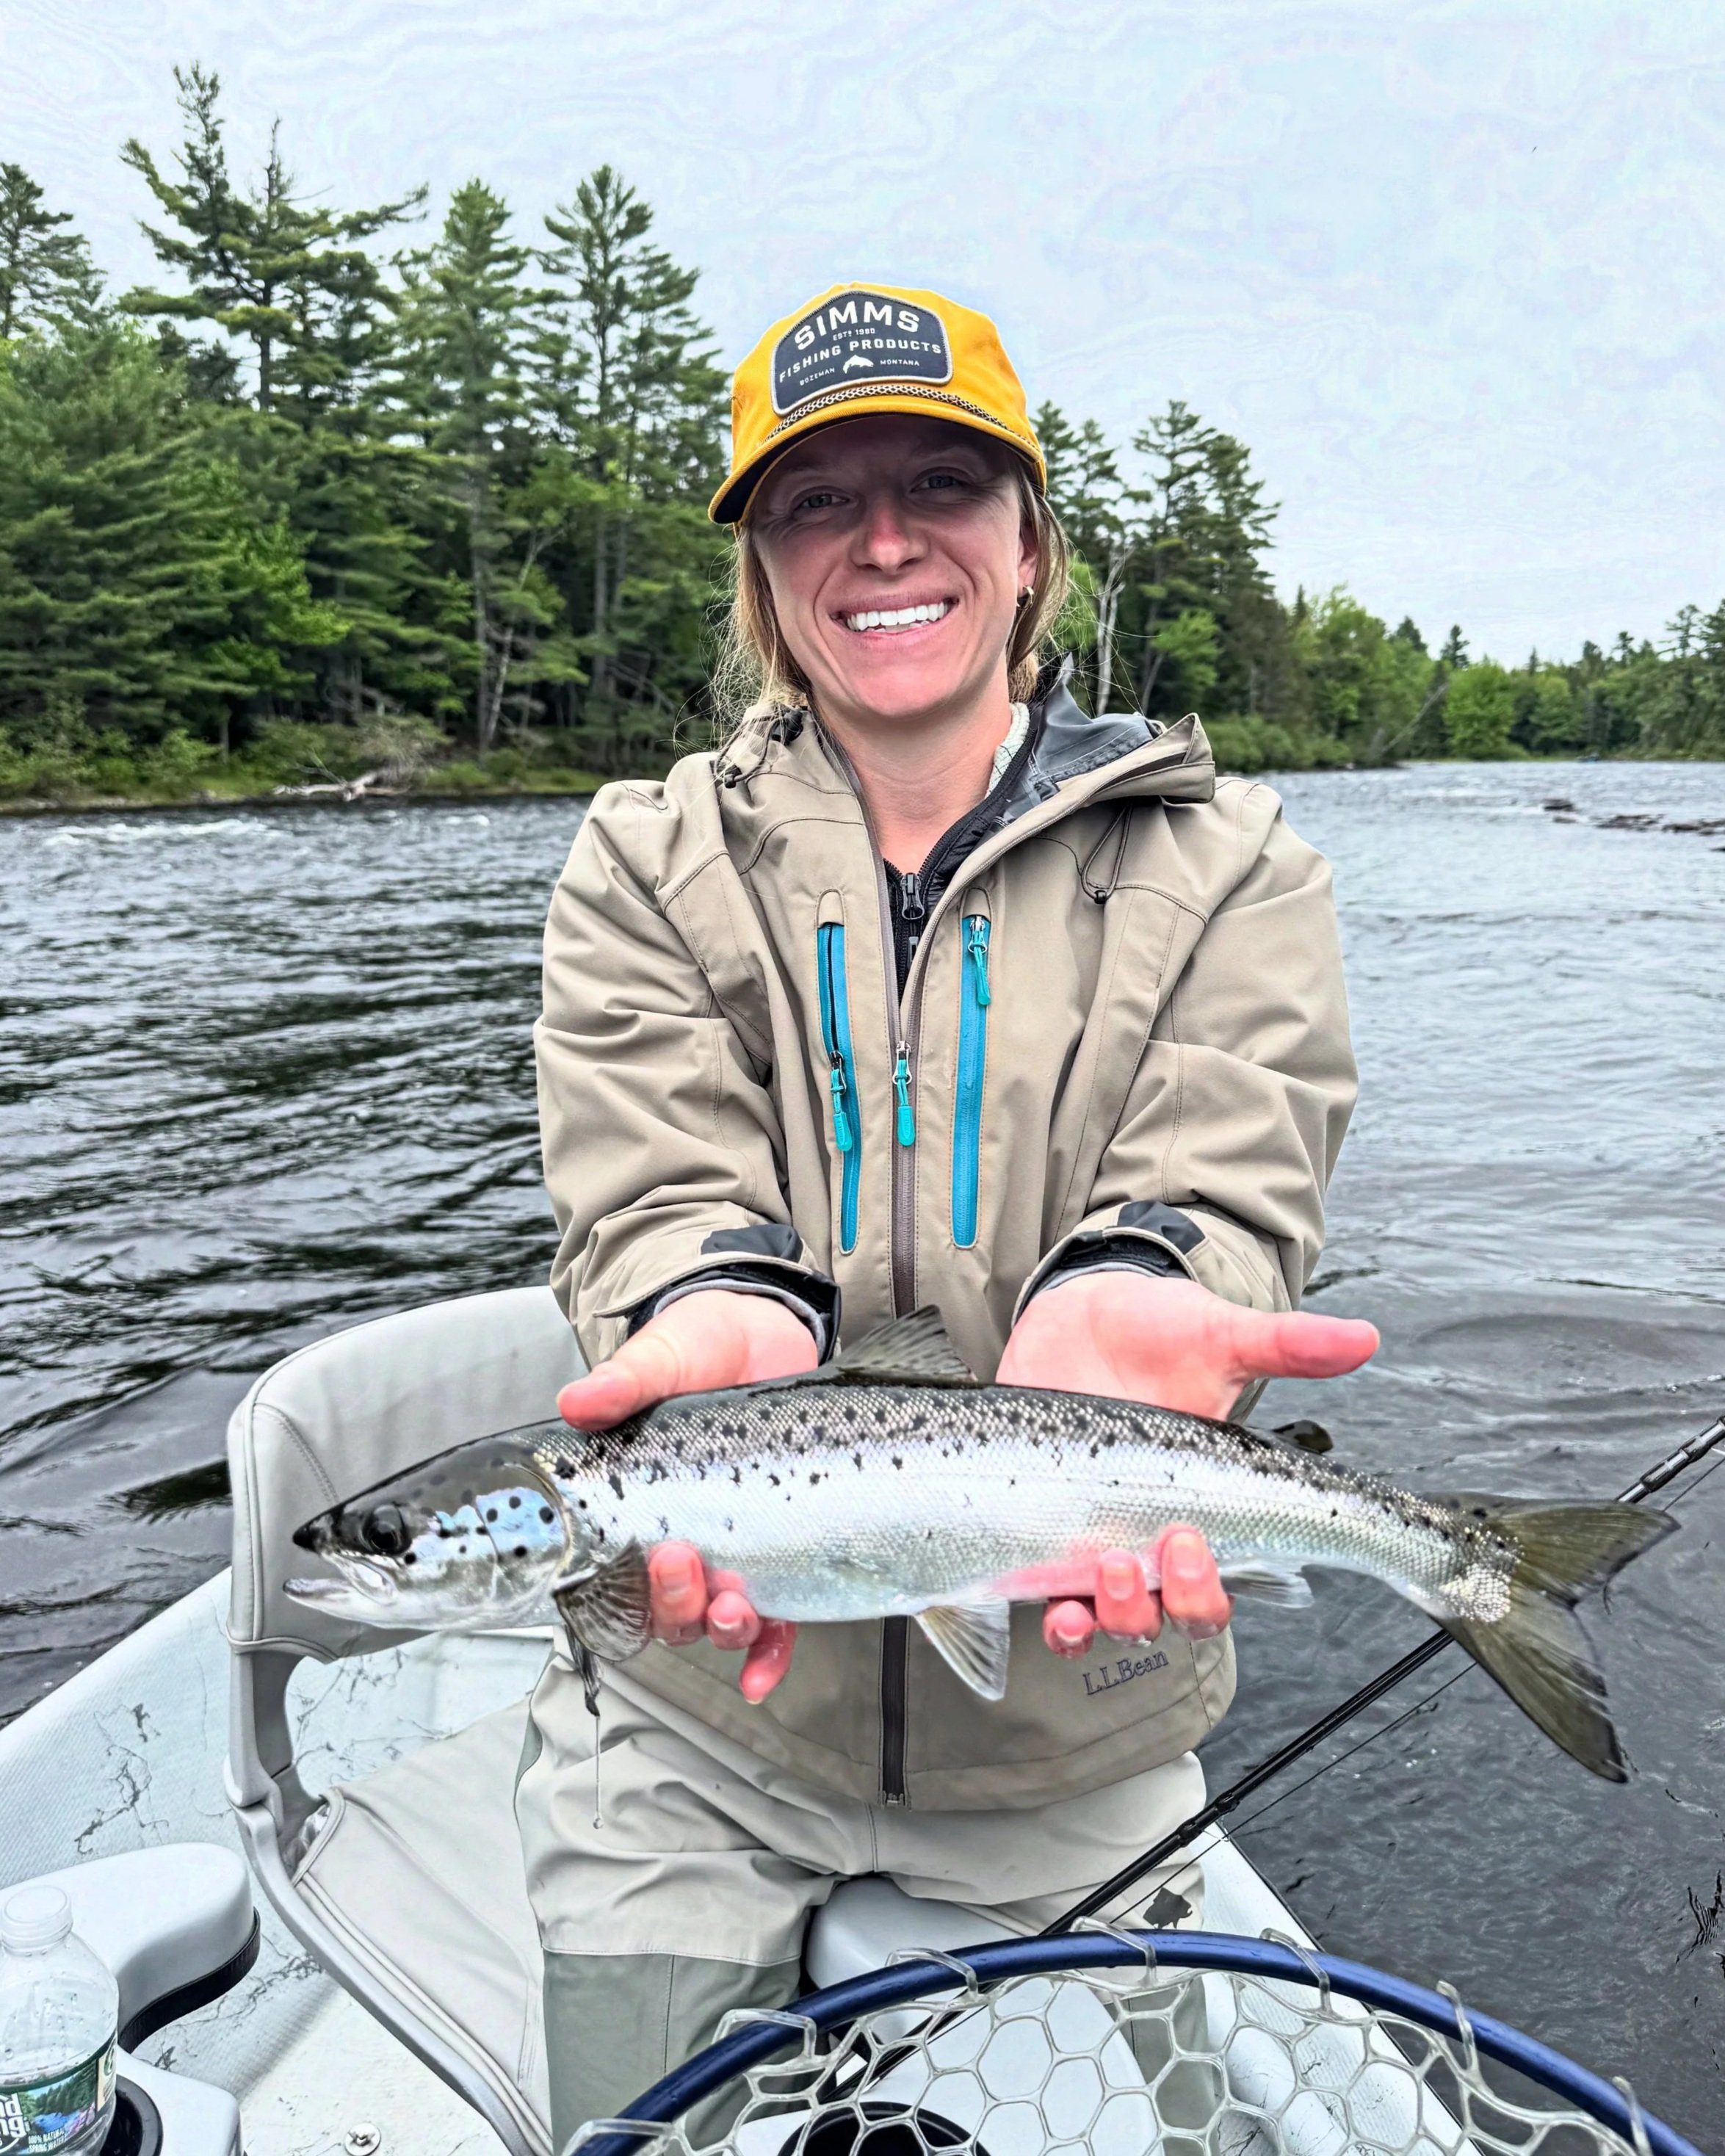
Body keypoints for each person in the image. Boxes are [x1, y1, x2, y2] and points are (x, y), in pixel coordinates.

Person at [519, 281, 1375, 2144]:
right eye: (818, 500)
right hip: (696, 1715)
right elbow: (658, 1188)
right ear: (760, 567)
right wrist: (706, 1315)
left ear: (1026, 538)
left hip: (1076, 1716)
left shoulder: (1234, 864)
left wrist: (1151, 1278)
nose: (884, 540)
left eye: (940, 483)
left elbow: (1226, 1165)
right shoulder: (641, 859)